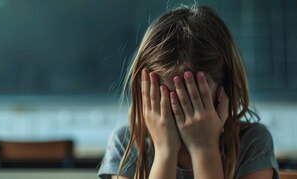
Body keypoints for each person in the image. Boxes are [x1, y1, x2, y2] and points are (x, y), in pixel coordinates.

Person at [98, 5, 279, 179]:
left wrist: (204, 148)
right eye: (167, 101)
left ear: (224, 91)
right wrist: (165, 151)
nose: (181, 115)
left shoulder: (252, 142)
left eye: (193, 101)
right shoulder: (127, 143)